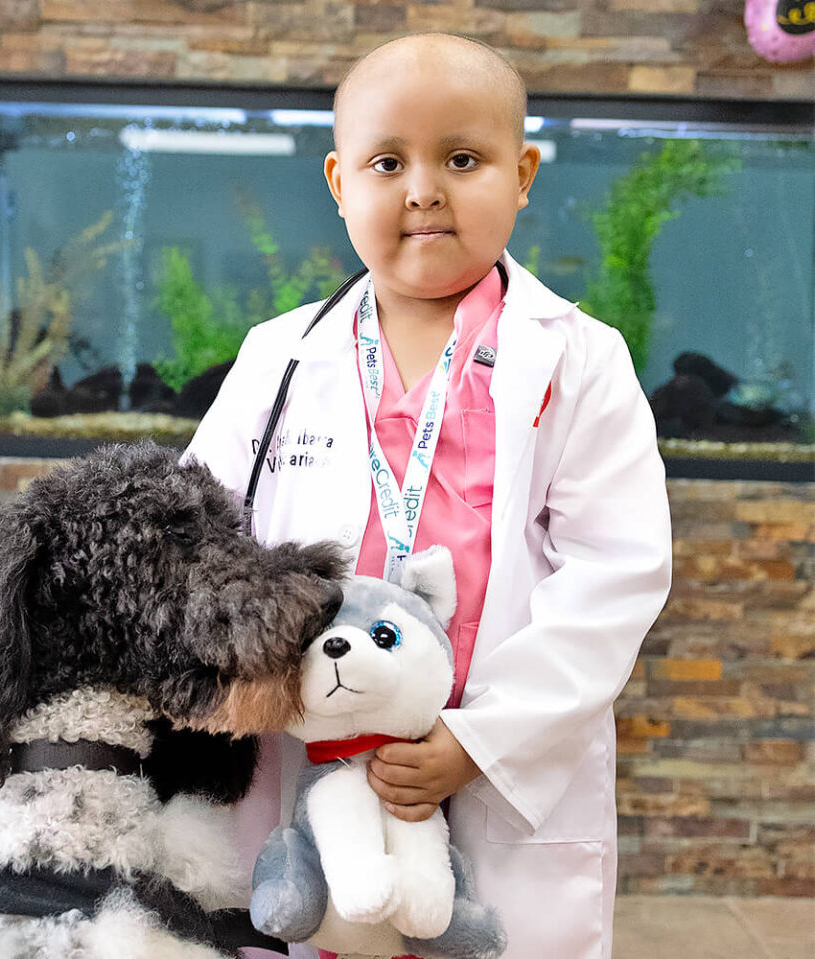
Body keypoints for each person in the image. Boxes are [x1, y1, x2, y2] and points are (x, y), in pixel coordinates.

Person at [184, 32, 672, 959]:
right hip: (303, 758)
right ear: (339, 183)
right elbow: (199, 537)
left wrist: (482, 742)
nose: (423, 189)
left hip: (486, 760)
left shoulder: (579, 358)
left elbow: (616, 572)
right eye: (387, 162)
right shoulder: (278, 356)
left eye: (462, 158)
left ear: (522, 175)